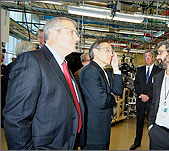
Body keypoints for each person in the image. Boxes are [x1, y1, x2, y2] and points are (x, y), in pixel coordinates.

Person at [3, 17, 84, 150]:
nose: (77, 38)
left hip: (66, 143)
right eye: (71, 32)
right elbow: (17, 118)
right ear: (52, 33)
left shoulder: (64, 66)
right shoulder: (32, 61)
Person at [79, 39, 123, 150]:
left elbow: (118, 91)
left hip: (103, 126)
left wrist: (116, 68)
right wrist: (112, 97)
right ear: (95, 52)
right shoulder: (90, 71)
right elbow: (101, 101)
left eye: (111, 51)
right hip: (93, 131)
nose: (111, 54)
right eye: (107, 50)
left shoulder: (105, 72)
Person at [130, 51, 162, 150]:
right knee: (139, 122)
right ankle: (137, 142)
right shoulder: (140, 70)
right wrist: (140, 95)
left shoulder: (159, 71)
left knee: (152, 123)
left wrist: (148, 96)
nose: (147, 58)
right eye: (145, 57)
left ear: (153, 58)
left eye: (149, 56)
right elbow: (136, 84)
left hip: (151, 101)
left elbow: (159, 86)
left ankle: (154, 144)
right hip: (140, 100)